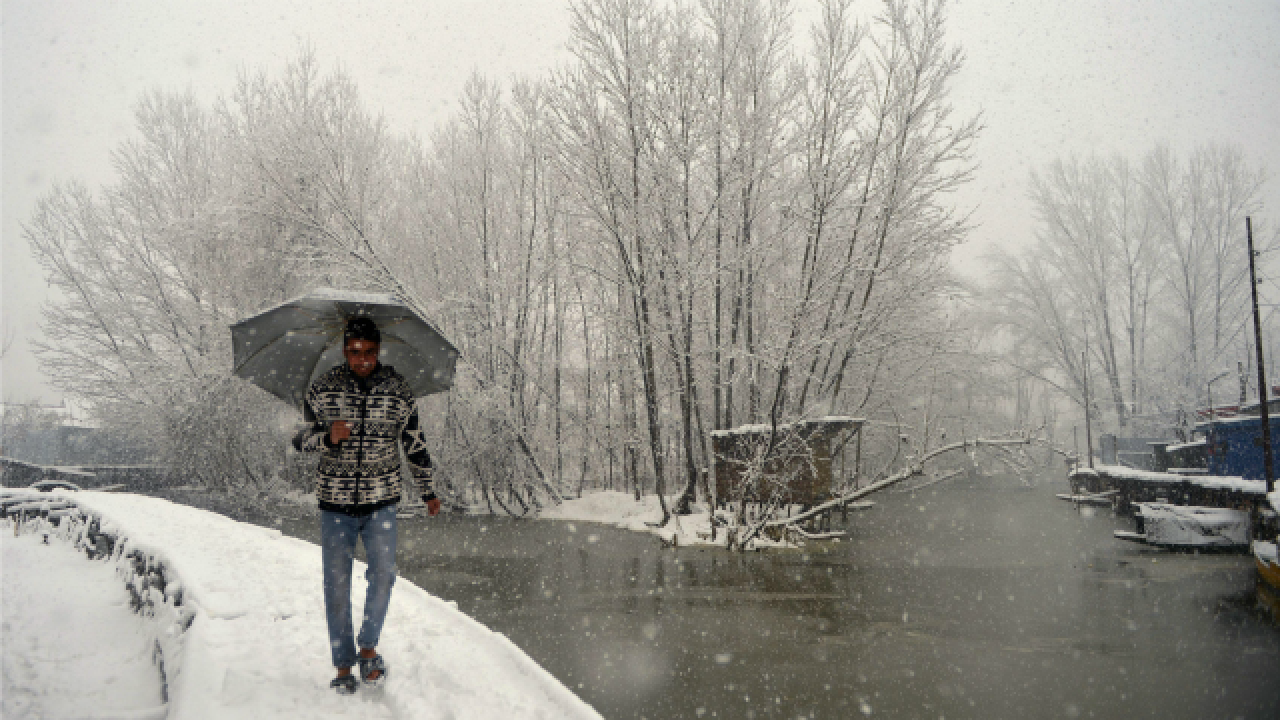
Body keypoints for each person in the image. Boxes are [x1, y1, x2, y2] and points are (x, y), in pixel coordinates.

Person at [293, 316, 442, 695]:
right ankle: (343, 665)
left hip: (382, 500)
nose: (362, 360)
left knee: (384, 576)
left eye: (370, 353)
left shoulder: (398, 390)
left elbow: (414, 442)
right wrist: (327, 437)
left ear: (379, 351)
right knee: (336, 584)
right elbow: (299, 439)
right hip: (335, 504)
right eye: (356, 352)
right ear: (345, 350)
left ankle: (368, 648)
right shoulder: (323, 389)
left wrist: (427, 490)